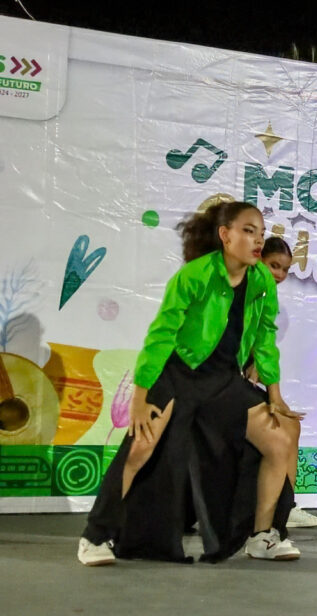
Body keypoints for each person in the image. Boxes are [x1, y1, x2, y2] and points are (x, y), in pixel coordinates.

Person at [77, 202, 303, 565]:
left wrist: (275, 395)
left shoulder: (261, 282)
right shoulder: (195, 276)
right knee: (139, 449)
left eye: (261, 233)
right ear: (225, 235)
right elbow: (161, 335)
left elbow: (265, 338)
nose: (258, 240)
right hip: (179, 373)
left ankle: (262, 535)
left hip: (223, 381)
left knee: (282, 434)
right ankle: (95, 537)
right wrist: (140, 395)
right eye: (248, 230)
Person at [244, 236, 317, 529]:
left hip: (240, 380)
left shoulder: (266, 296)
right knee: (282, 431)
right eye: (273, 265)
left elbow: (264, 344)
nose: (278, 274)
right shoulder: (241, 286)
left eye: (284, 269)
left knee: (291, 424)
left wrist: (275, 396)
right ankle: (267, 518)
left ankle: (285, 507)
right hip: (217, 383)